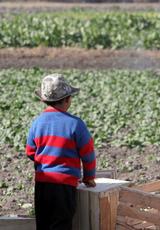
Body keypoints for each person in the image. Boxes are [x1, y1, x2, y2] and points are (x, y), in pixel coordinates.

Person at [26, 74, 96, 230]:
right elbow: (88, 154)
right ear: (67, 100)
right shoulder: (75, 124)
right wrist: (89, 177)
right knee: (61, 224)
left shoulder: (37, 123)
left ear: (44, 100)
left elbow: (30, 152)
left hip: (42, 185)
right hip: (64, 187)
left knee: (43, 224)